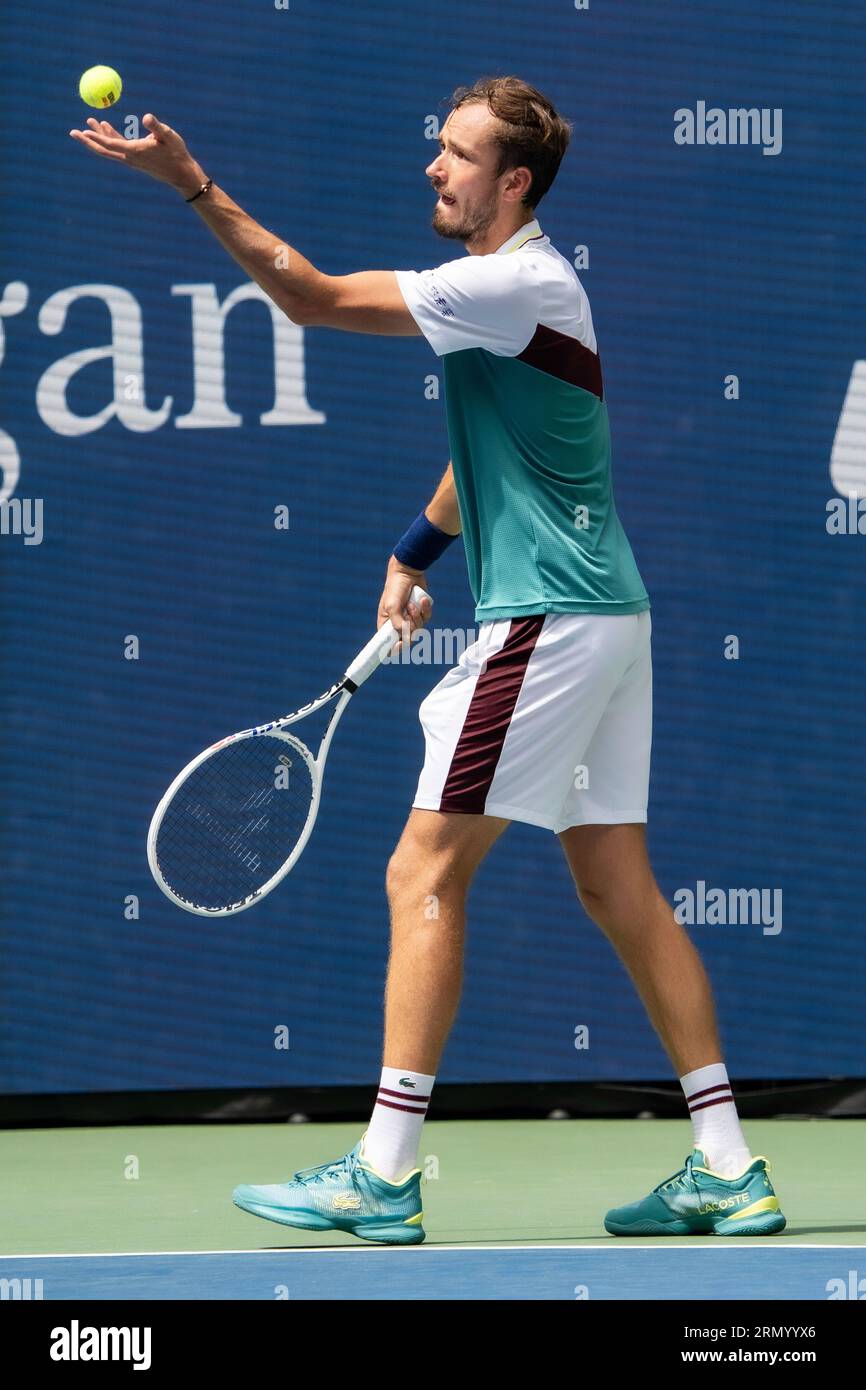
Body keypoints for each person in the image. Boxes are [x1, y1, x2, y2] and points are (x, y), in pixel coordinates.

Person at [71, 75, 785, 1243]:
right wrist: (416, 553)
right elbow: (488, 454)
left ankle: (385, 1170)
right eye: (435, 148)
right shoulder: (527, 296)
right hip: (609, 616)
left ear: (514, 183)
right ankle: (726, 1164)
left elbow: (302, 296)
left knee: (421, 873)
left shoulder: (510, 279)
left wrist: (190, 183)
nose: (431, 169)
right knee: (614, 885)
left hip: (550, 619)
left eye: (455, 156)